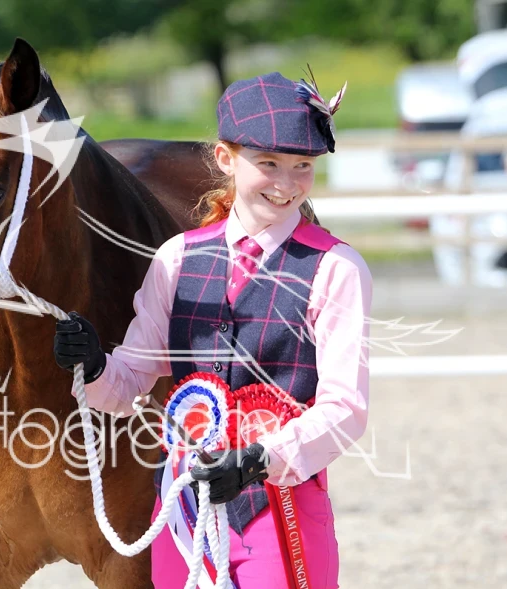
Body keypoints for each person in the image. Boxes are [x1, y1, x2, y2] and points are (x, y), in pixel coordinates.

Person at [54, 70, 371, 589]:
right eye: (268, 163)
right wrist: (92, 366)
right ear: (226, 158)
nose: (287, 183)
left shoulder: (336, 268)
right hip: (184, 509)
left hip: (282, 508)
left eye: (303, 166)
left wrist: (259, 461)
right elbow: (128, 383)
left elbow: (345, 409)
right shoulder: (176, 259)